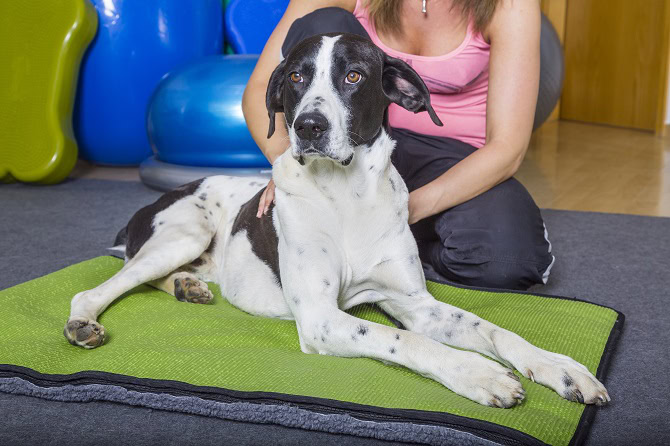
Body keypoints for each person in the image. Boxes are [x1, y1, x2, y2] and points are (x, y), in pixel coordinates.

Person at [241, 0, 554, 290]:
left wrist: (402, 209)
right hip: (362, 148)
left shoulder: (510, 5)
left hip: (457, 160)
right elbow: (260, 87)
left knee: (508, 263)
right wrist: (287, 164)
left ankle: (401, 245)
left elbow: (507, 148)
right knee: (327, 20)